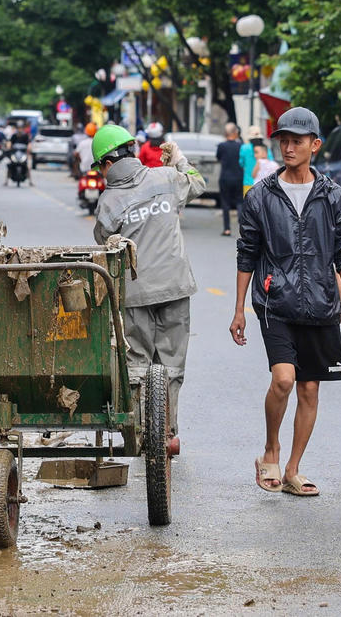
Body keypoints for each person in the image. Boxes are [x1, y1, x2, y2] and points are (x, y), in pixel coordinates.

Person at [229, 106, 341, 497]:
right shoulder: (261, 196)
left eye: (296, 141)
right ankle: (271, 448)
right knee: (284, 379)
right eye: (283, 140)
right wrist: (239, 309)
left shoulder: (333, 195)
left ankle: (292, 469)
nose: (288, 147)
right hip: (275, 302)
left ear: (314, 145)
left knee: (310, 390)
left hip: (321, 303)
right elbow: (246, 253)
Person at [91, 124, 206, 451]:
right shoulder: (166, 178)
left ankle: (142, 435)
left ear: (108, 164)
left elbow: (103, 240)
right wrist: (179, 161)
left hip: (135, 296)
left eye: (101, 168)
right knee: (171, 365)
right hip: (175, 288)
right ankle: (168, 435)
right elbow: (198, 182)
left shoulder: (108, 200)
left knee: (137, 365)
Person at [216, 122, 244, 236]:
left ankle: (227, 229)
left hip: (225, 177)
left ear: (226, 133)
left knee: (225, 203)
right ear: (235, 133)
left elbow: (218, 157)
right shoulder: (241, 146)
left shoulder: (221, 146)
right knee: (239, 201)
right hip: (238, 176)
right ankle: (242, 227)